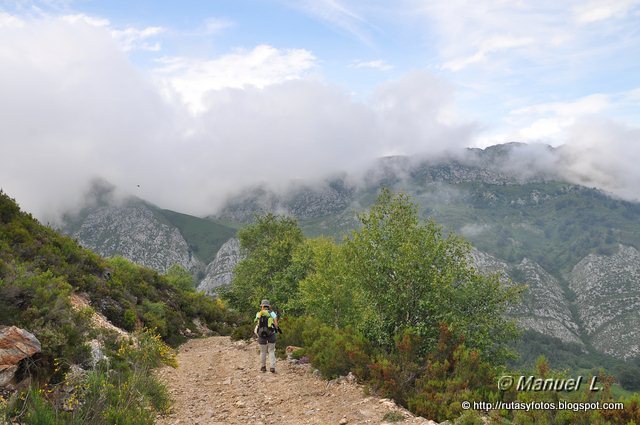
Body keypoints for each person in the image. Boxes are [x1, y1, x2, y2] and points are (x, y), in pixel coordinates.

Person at [254, 299, 278, 373]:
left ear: (262, 306)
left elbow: (256, 322)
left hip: (261, 335)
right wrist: (276, 329)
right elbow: (276, 323)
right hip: (271, 334)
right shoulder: (272, 313)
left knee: (263, 352)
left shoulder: (259, 313)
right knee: (271, 351)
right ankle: (272, 367)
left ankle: (263, 367)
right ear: (269, 306)